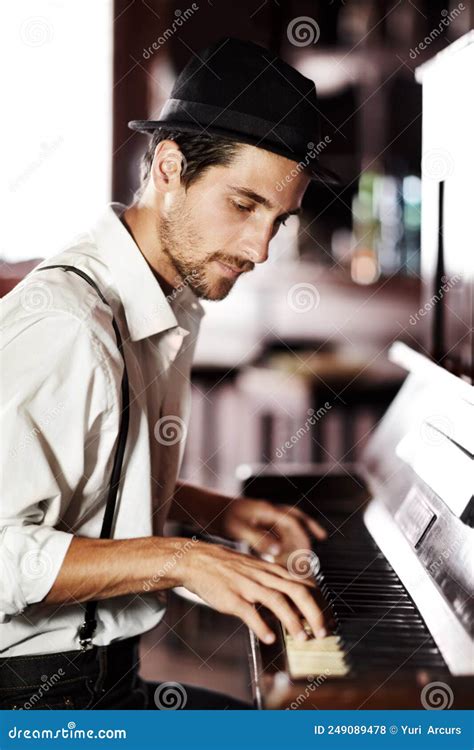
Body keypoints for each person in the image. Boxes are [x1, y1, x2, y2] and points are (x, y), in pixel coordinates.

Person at [0, 37, 338, 710]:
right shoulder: (66, 325)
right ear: (170, 168)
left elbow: (89, 479)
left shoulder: (171, 296)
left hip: (104, 680)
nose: (259, 249)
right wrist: (182, 557)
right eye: (243, 206)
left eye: (279, 219)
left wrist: (219, 513)